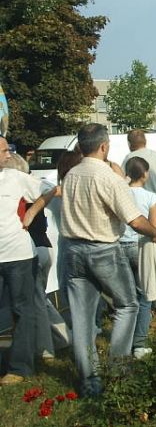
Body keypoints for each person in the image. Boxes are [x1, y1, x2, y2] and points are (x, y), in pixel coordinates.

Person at [60, 124, 156, 397]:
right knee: (128, 305)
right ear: (104, 147)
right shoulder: (108, 177)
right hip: (103, 248)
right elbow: (135, 220)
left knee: (81, 320)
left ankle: (89, 382)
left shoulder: (71, 174)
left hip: (72, 249)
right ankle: (117, 370)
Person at [0, 137, 54, 385]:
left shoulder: (14, 178)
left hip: (18, 255)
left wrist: (32, 212)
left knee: (22, 310)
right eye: (3, 151)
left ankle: (19, 368)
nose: (8, 156)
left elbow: (49, 189)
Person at [120, 157, 156, 360]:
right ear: (145, 174)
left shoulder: (121, 194)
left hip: (119, 245)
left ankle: (122, 342)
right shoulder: (151, 197)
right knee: (144, 296)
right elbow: (155, 229)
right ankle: (139, 344)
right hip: (141, 247)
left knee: (125, 297)